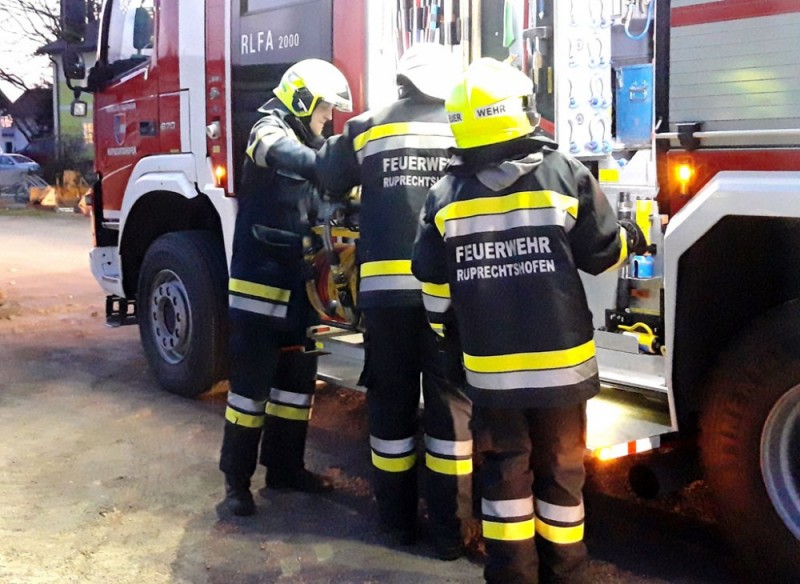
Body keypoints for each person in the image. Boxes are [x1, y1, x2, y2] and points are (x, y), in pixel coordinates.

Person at [411, 58, 648, 583]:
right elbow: (602, 255)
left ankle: (511, 574)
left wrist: (445, 334)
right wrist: (634, 235)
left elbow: (429, 276)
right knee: (562, 473)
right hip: (562, 370)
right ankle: (567, 573)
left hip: (492, 375)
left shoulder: (444, 196)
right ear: (516, 112)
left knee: (506, 476)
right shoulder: (564, 174)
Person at [316, 43, 474, 559]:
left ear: (402, 80)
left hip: (385, 301)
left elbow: (329, 176)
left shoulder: (367, 126)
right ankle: (450, 535)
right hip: (448, 299)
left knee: (390, 408)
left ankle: (396, 523)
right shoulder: (466, 125)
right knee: (451, 414)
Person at [220, 59, 352, 517]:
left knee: (296, 390)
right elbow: (293, 158)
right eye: (324, 109)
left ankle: (286, 468)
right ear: (302, 100)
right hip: (261, 291)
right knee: (249, 392)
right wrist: (333, 165)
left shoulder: (314, 145)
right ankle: (236, 483)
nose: (328, 118)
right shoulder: (266, 130)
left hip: (302, 293)